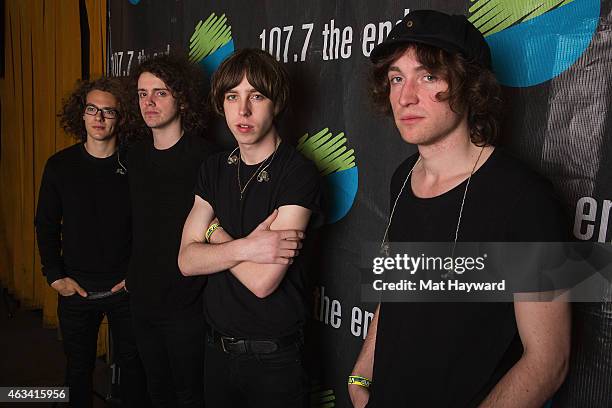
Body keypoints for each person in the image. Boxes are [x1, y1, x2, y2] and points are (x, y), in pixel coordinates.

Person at [348, 10, 571, 408]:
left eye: (428, 76)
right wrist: (361, 374)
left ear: (469, 86)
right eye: (397, 77)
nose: (405, 95)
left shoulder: (525, 198)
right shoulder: (403, 177)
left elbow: (548, 362)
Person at [178, 48, 321, 408]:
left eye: (256, 96)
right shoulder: (213, 169)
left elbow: (262, 282)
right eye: (232, 97)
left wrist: (214, 234)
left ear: (276, 103)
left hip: (275, 360)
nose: (242, 111)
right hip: (216, 352)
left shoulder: (297, 173)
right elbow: (186, 261)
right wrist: (246, 248)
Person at [35, 77, 148, 407]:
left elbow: (150, 225)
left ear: (121, 117)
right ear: (81, 115)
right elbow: (45, 223)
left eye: (108, 111)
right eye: (92, 109)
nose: (99, 118)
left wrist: (136, 274)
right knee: (78, 370)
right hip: (76, 289)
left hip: (125, 290)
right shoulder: (59, 166)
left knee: (134, 371)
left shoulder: (137, 164)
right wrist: (55, 276)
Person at [127, 54, 216, 407]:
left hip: (187, 304)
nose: (148, 102)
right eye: (142, 93)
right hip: (142, 300)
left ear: (180, 97)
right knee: (155, 391)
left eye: (160, 93)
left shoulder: (207, 158)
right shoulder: (132, 156)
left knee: (189, 395)